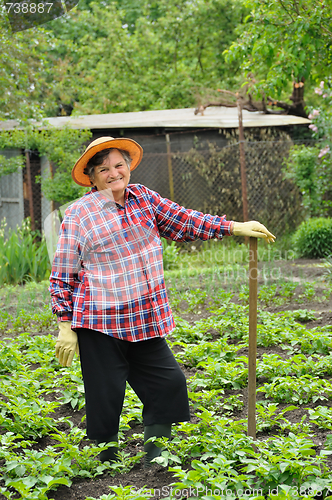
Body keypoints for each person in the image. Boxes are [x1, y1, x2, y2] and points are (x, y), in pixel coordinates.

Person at [50, 136, 275, 467]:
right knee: (105, 395)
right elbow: (62, 274)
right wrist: (65, 323)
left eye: (118, 165)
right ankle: (105, 460)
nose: (113, 174)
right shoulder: (80, 215)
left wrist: (235, 227)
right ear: (92, 177)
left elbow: (185, 220)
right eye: (103, 169)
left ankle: (156, 453)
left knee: (168, 382)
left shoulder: (144, 199)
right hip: (100, 322)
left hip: (144, 317)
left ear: (127, 167)